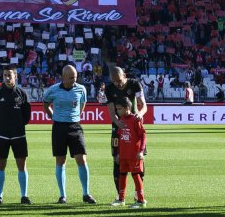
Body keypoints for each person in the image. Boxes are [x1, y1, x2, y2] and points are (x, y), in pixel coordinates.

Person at [43, 65, 95, 204]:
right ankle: (62, 195)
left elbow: (82, 104)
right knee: (60, 161)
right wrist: (52, 116)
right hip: (59, 127)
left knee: (82, 159)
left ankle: (86, 193)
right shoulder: (53, 90)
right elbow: (45, 103)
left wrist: (77, 116)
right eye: (71, 77)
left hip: (75, 127)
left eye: (76, 77)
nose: (74, 80)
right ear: (63, 77)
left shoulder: (81, 89)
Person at [104, 66, 146, 205]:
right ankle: (119, 196)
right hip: (119, 128)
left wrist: (139, 115)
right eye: (114, 82)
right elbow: (112, 111)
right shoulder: (109, 88)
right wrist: (117, 122)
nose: (117, 84)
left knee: (138, 161)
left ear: (124, 75)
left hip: (134, 125)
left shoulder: (134, 84)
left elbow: (143, 105)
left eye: (119, 80)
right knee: (117, 160)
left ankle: (138, 195)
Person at [0, 66, 31, 205]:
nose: (7, 78)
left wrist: (18, 125)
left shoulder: (22, 94)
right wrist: (1, 127)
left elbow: (27, 116)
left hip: (18, 134)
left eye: (10, 75)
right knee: (0, 165)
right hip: (1, 135)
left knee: (22, 165)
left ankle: (24, 196)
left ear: (16, 77)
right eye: (5, 75)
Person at [113, 99, 147, 208]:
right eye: (117, 109)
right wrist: (118, 153)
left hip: (134, 154)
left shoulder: (135, 119)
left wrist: (141, 151)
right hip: (124, 154)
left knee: (136, 176)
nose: (117, 111)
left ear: (127, 108)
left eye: (119, 109)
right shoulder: (121, 120)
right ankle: (121, 199)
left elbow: (143, 135)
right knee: (122, 175)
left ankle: (141, 201)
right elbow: (120, 137)